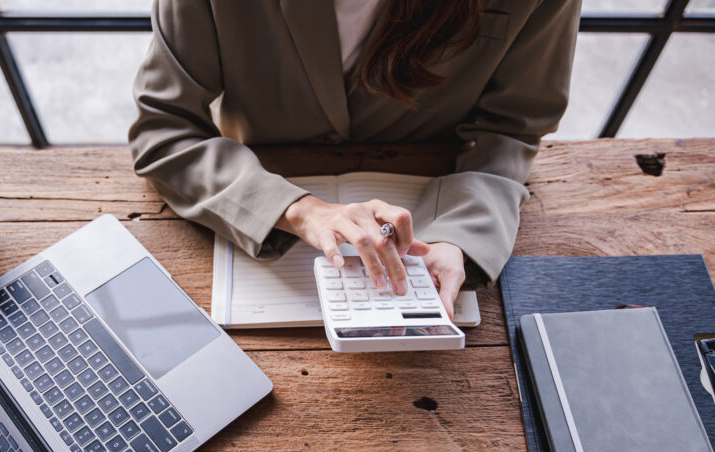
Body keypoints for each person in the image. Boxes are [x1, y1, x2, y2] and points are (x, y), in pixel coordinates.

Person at [128, 0, 580, 312]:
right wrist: (297, 210)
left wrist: (460, 235)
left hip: (434, 189)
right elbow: (165, 125)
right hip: (258, 184)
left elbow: (512, 124)